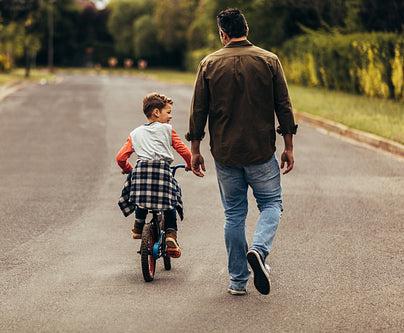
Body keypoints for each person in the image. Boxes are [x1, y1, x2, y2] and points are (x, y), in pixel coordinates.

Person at [186, 8, 297, 295]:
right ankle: (259, 250)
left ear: (223, 34)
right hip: (261, 151)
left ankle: (238, 282)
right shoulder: (269, 60)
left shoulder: (208, 64)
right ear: (246, 29)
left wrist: (194, 149)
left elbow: (198, 109)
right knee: (271, 204)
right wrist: (289, 146)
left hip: (225, 153)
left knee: (234, 214)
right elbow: (283, 105)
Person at [117, 93, 192, 258]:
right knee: (171, 199)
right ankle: (171, 235)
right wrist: (190, 164)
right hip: (162, 172)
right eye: (168, 112)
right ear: (157, 112)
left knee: (141, 194)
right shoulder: (167, 130)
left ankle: (138, 226)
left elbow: (120, 157)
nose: (171, 116)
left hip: (141, 171)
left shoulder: (135, 133)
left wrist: (128, 169)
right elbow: (185, 151)